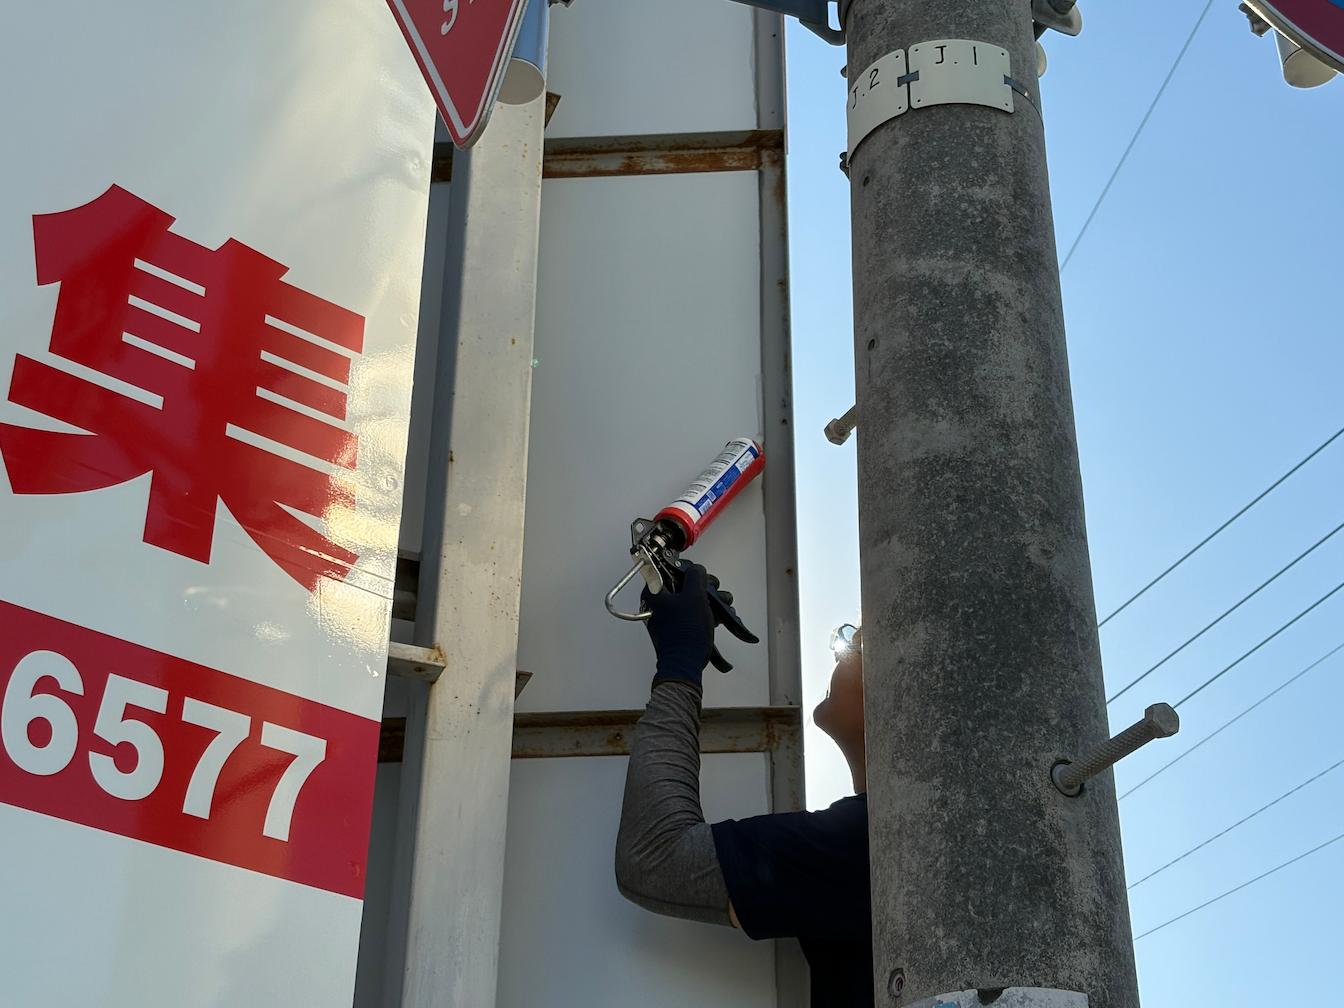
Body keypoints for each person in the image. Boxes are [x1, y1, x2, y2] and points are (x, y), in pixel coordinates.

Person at [614, 563, 872, 1008]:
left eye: (857, 643)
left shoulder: (865, 842)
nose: (839, 652)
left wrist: (680, 663)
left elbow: (654, 860)